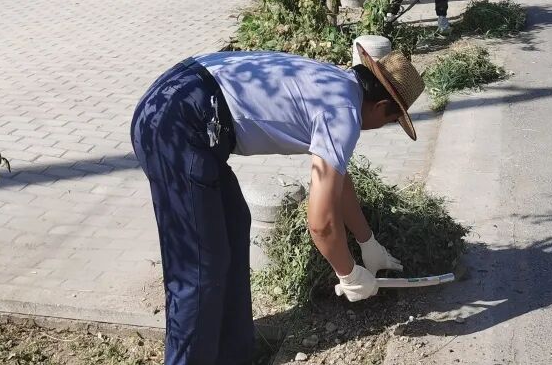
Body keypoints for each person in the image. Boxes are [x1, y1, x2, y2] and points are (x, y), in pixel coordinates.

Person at [132, 46, 425, 365]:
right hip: (174, 122)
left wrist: (367, 241)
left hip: (185, 99)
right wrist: (349, 273)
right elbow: (322, 224)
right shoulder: (344, 113)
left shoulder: (340, 84)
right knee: (200, 268)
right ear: (380, 106)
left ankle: (233, 356)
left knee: (233, 226)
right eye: (390, 120)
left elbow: (339, 183)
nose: (380, 128)